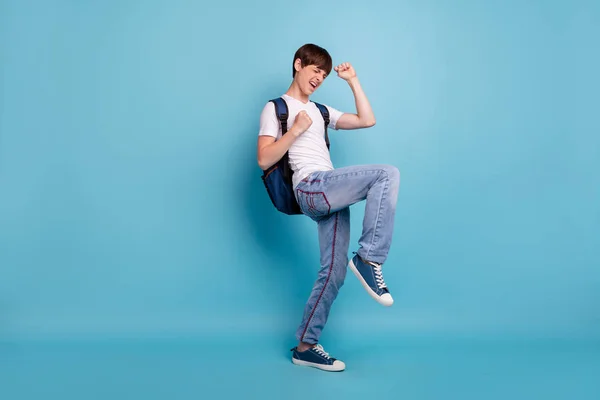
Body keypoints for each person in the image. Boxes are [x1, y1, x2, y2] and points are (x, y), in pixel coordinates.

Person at [257, 44, 400, 372]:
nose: (319, 78)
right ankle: (368, 259)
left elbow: (367, 119)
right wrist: (294, 130)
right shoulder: (276, 108)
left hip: (330, 193)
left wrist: (353, 81)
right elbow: (264, 158)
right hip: (311, 187)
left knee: (333, 273)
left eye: (324, 74)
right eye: (314, 71)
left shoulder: (321, 111)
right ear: (298, 65)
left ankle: (305, 346)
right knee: (386, 174)